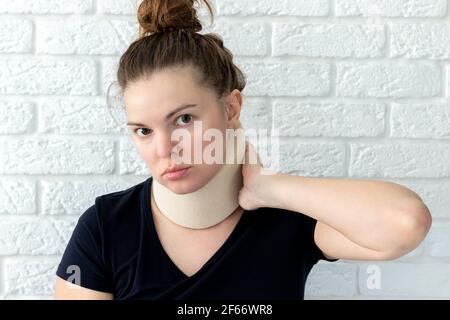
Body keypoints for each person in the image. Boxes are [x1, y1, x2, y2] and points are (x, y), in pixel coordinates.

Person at [54, 0, 432, 300]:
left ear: (231, 108)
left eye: (184, 119)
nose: (164, 148)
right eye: (143, 130)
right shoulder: (106, 226)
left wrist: (270, 189)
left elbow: (406, 223)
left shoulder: (288, 219)